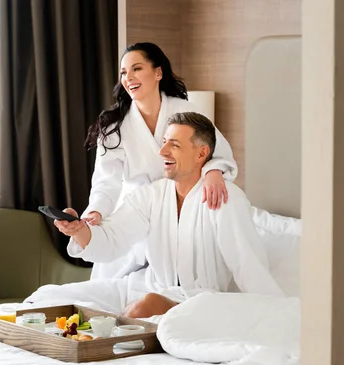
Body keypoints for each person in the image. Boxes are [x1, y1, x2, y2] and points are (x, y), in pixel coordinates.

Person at [25, 112, 284, 318]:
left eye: (174, 145)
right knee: (47, 298)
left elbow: (247, 265)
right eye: (163, 143)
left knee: (144, 308)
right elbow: (114, 237)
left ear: (201, 154)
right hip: (148, 287)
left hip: (202, 301)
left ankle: (105, 336)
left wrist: (276, 315)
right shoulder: (152, 195)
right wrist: (79, 229)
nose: (162, 152)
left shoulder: (224, 197)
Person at [81, 42, 238, 280]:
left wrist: (213, 171)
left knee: (178, 278)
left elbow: (217, 151)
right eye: (124, 72)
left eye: (136, 68)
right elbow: (106, 181)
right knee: (113, 286)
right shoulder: (114, 127)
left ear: (158, 72)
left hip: (177, 206)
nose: (128, 77)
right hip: (135, 208)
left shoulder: (186, 111)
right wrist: (97, 210)